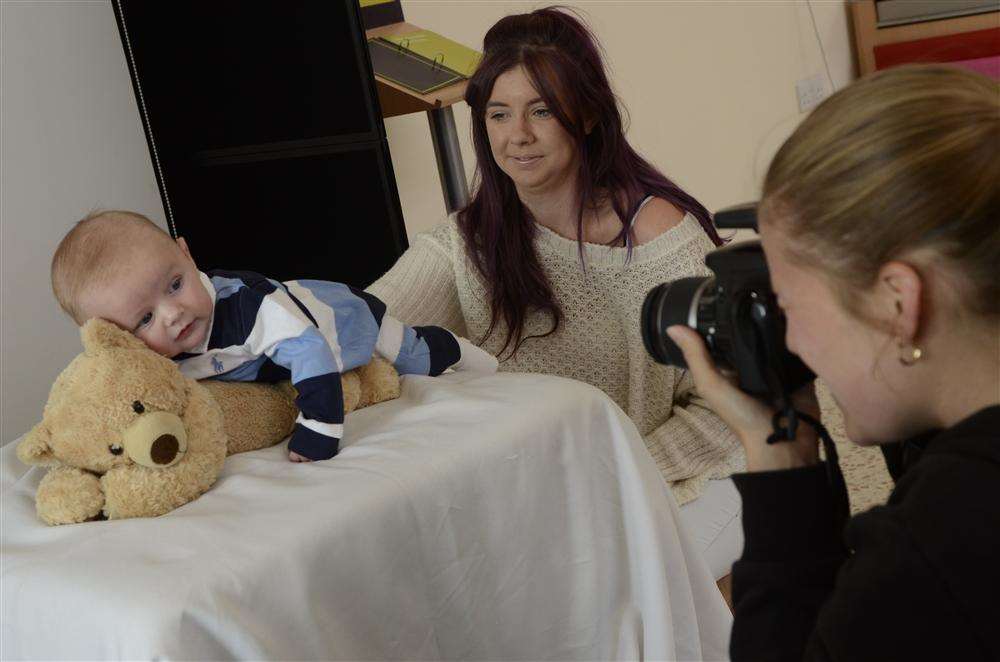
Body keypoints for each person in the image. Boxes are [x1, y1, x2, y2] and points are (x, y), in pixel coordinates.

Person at [667, 64, 999, 660]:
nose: (794, 344)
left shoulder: (937, 544)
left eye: (791, 304)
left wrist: (780, 468)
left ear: (899, 300)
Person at [368, 7, 742, 505]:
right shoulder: (470, 239)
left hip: (677, 477)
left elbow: (724, 408)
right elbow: (368, 318)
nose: (517, 134)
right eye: (499, 114)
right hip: (548, 486)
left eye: (541, 111)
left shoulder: (658, 240)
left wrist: (615, 479)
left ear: (585, 117)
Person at [50, 210, 497, 462]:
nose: (173, 314)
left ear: (185, 254)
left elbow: (312, 354)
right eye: (144, 319)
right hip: (273, 362)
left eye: (174, 284)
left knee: (411, 355)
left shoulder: (251, 309)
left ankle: (453, 347)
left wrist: (318, 432)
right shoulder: (149, 357)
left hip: (340, 320)